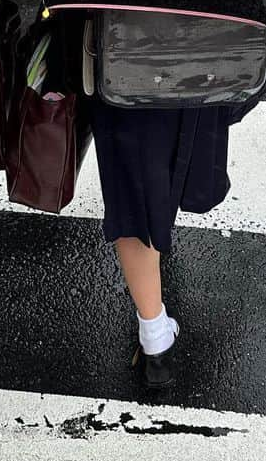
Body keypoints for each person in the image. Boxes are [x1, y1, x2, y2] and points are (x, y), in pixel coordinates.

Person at [90, 97, 257, 386]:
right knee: (185, 121)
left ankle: (155, 337)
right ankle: (170, 198)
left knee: (130, 185)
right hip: (198, 65)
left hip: (124, 66)